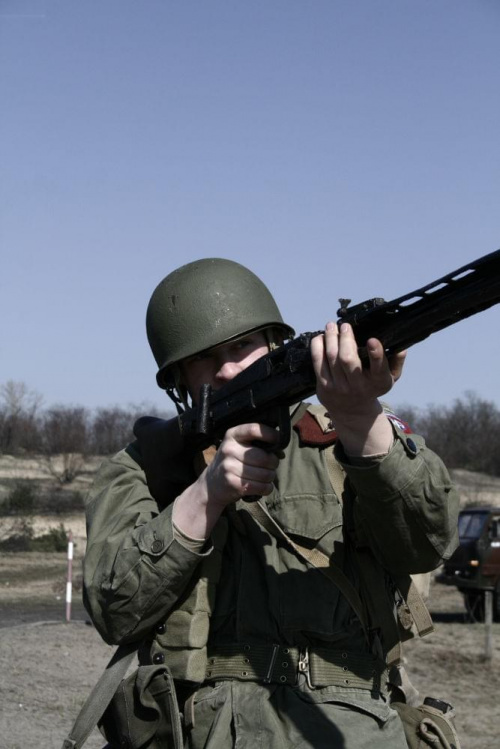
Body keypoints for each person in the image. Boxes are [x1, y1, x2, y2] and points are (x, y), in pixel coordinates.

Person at [82, 258, 459, 749]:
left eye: (243, 346)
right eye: (205, 358)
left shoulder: (345, 439)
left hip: (353, 729)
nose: (230, 369)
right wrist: (204, 497)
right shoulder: (145, 469)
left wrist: (363, 424)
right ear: (178, 380)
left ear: (275, 344)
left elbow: (429, 545)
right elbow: (115, 612)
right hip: (207, 730)